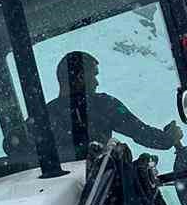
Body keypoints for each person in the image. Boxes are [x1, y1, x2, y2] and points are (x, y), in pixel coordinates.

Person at [46, 51, 183, 158]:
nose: (96, 82)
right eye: (94, 75)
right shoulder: (102, 104)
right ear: (81, 77)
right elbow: (141, 133)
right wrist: (169, 138)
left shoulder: (43, 116)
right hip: (102, 190)